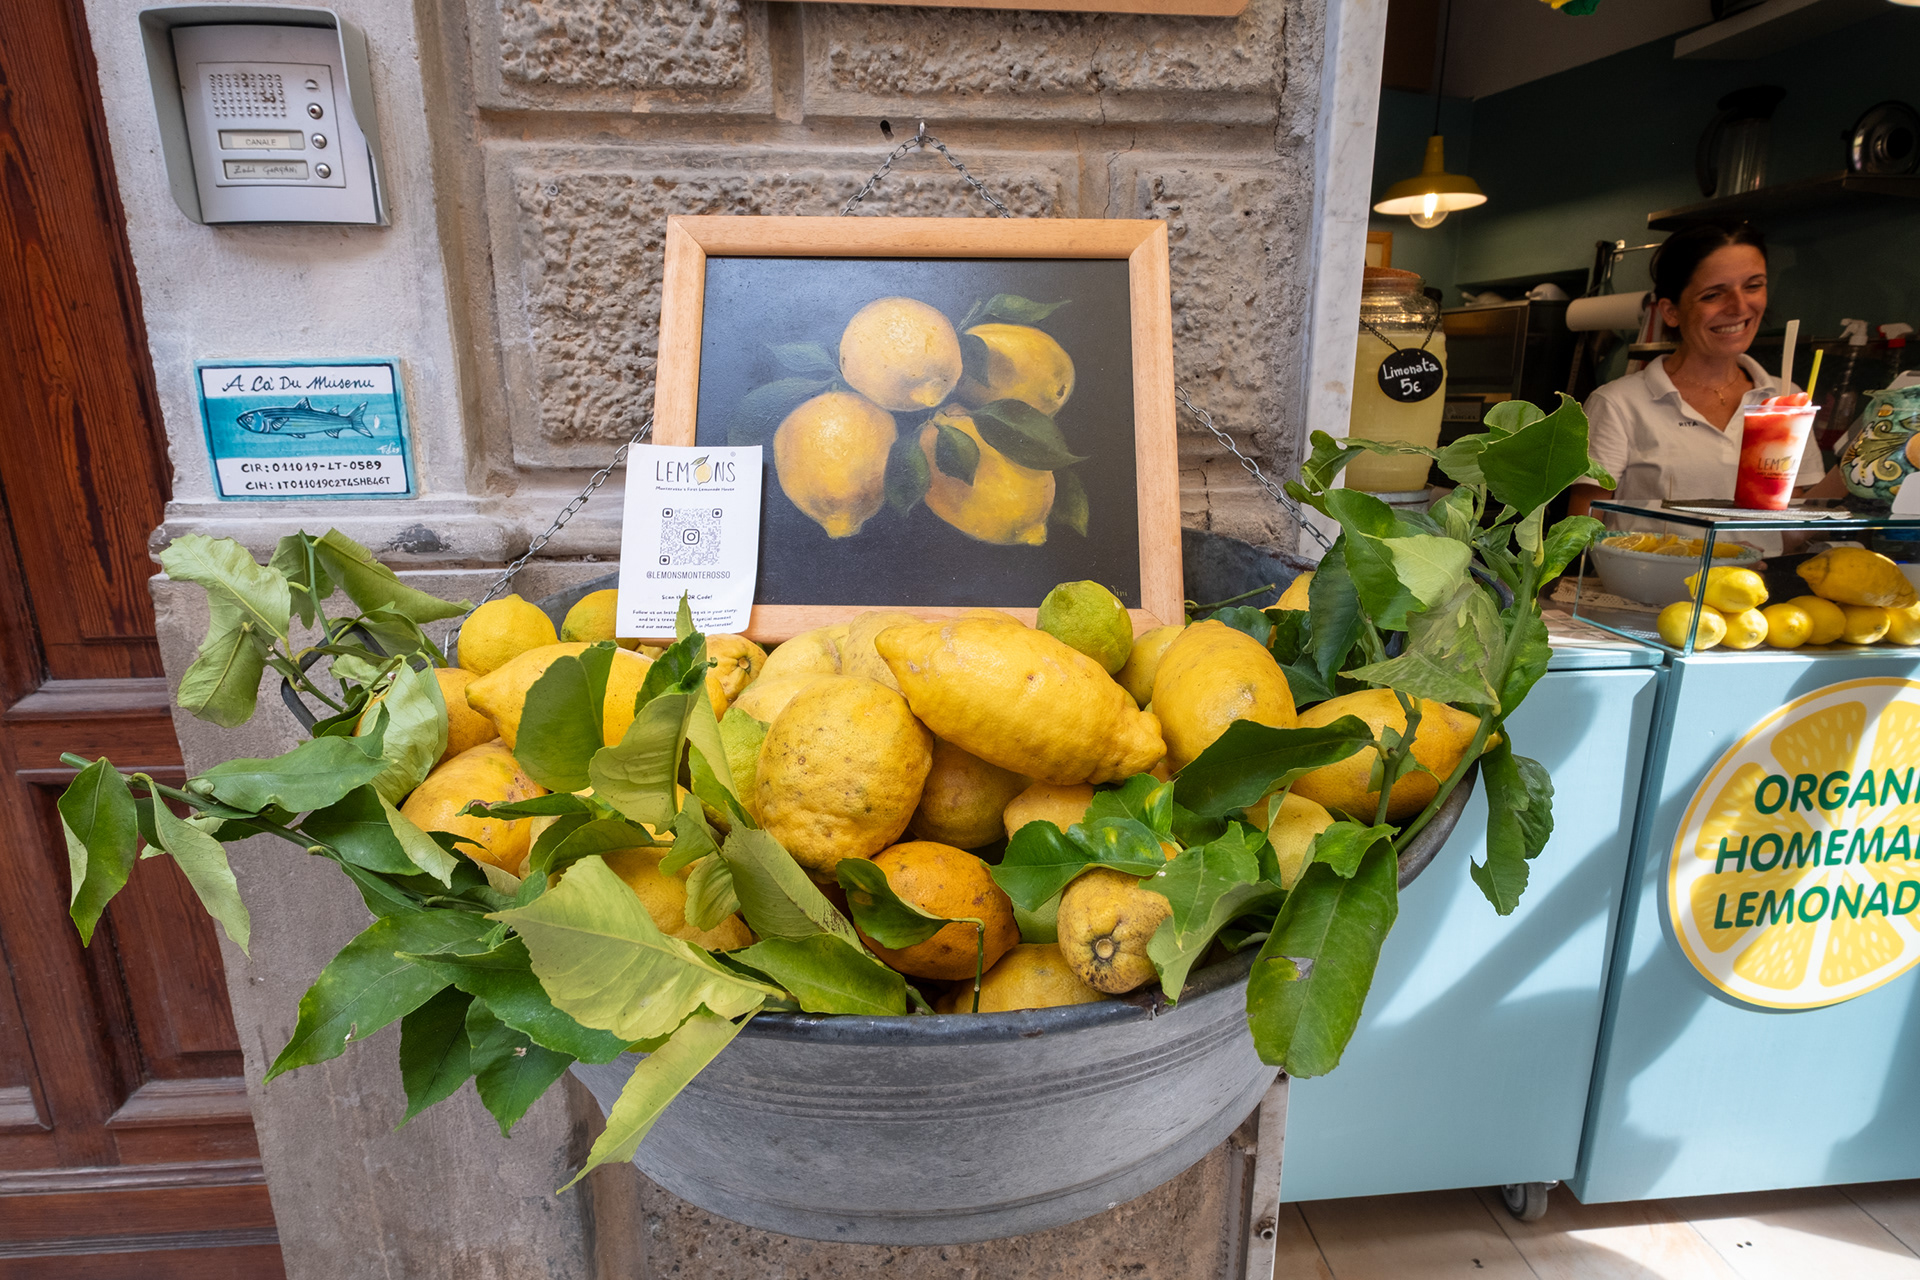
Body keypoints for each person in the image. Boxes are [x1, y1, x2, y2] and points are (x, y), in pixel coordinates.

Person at [1567, 222, 1828, 518]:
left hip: (1755, 567)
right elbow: (1580, 535)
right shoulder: (1618, 404)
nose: (1740, 307)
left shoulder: (1785, 399)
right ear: (1671, 311)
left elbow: (1793, 529)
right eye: (1713, 294)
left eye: (1753, 286)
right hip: (1651, 566)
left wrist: (1856, 466)